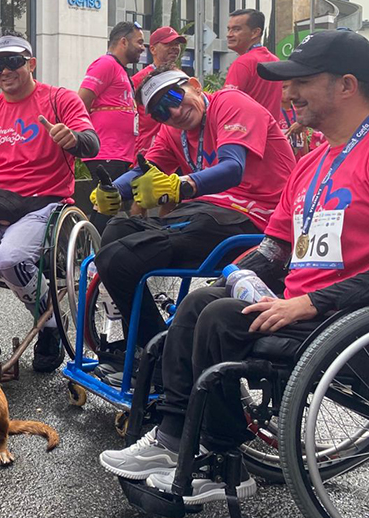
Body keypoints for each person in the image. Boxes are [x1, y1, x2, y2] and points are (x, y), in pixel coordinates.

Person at [100, 29, 369, 503]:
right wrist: (237, 273)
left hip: (348, 318)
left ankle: (218, 454)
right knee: (205, 299)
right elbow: (276, 249)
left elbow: (231, 171)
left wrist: (309, 302)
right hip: (303, 305)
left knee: (219, 318)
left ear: (347, 86)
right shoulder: (311, 165)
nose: (286, 94)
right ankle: (173, 440)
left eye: (301, 81)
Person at [89, 66, 296, 355]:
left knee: (119, 259)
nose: (173, 111)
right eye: (161, 111)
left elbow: (233, 167)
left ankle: (160, 351)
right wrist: (114, 190)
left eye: (174, 96)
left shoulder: (230, 103)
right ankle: (147, 344)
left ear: (196, 86)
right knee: (116, 231)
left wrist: (182, 186)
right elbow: (143, 170)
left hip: (260, 220)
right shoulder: (173, 131)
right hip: (210, 214)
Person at [0, 35, 99, 369]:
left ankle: (52, 323)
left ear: (31, 63)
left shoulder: (60, 100)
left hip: (45, 204)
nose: (5, 70)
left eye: (13, 61)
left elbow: (91, 143)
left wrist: (72, 140)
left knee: (9, 259)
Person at [79, 21, 144, 231]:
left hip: (120, 153)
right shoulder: (105, 64)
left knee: (111, 207)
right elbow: (80, 103)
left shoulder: (120, 70)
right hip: (106, 151)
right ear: (123, 42)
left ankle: (97, 253)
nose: (143, 47)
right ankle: (93, 257)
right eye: (140, 42)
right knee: (106, 206)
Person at [131, 27, 186, 156]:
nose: (174, 48)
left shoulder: (180, 76)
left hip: (179, 149)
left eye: (177, 44)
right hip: (149, 150)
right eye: (168, 44)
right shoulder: (139, 79)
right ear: (153, 49)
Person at [224, 9, 283, 123]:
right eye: (229, 29)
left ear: (255, 32)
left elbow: (227, 103)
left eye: (236, 29)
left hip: (245, 133)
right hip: (270, 133)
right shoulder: (275, 61)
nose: (229, 35)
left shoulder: (243, 62)